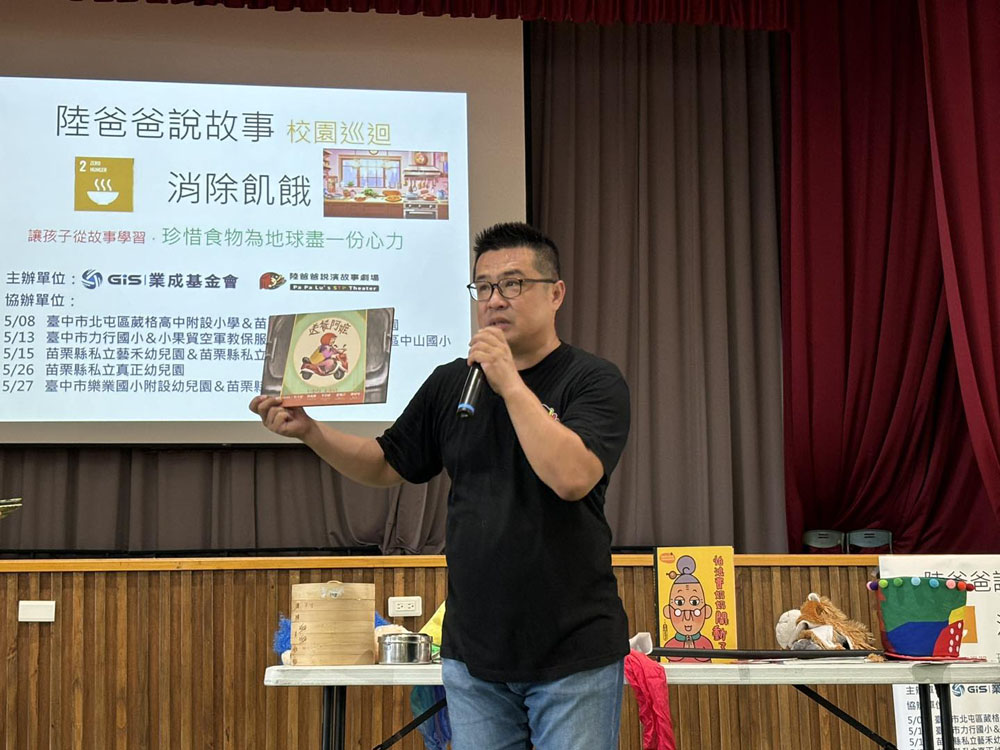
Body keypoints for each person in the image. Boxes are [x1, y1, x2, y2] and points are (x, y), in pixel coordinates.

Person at [250, 221, 631, 750]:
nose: (495, 300)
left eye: (513, 284)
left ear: (556, 293)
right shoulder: (452, 382)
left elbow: (571, 478)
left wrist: (509, 382)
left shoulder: (592, 380)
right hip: (474, 656)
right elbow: (385, 464)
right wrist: (311, 432)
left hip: (573, 652)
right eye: (484, 287)